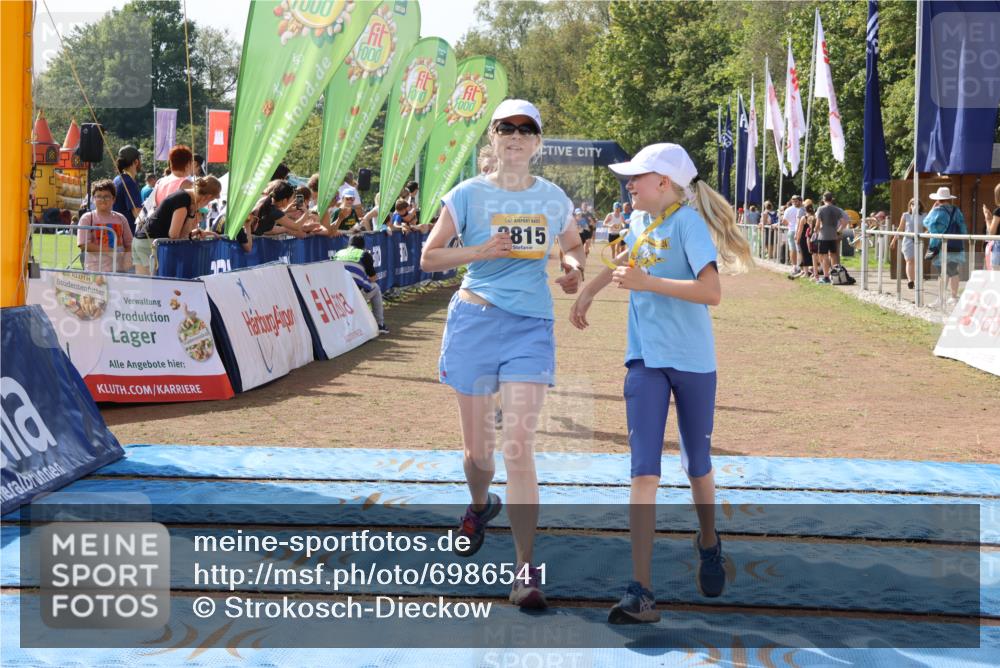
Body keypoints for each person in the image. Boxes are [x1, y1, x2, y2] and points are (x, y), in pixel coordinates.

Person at [568, 142, 752, 624]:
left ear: (665, 184)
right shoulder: (633, 220)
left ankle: (709, 541)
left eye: (637, 177)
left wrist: (650, 284)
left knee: (697, 465)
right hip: (644, 360)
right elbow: (623, 264)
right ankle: (641, 590)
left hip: (692, 361)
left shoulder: (690, 224)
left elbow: (711, 292)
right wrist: (588, 292)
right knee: (643, 472)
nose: (629, 184)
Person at [419, 99, 585, 610]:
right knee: (479, 456)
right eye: (505, 128)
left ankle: (524, 571)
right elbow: (429, 257)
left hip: (530, 328)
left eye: (525, 129)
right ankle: (478, 504)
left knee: (517, 447)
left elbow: (574, 245)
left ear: (537, 142)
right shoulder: (466, 194)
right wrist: (478, 251)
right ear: (491, 138)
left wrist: (574, 266)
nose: (515, 136)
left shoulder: (553, 197)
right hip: (474, 321)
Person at [132, 176, 222, 274]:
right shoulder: (183, 199)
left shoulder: (186, 198)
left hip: (143, 241)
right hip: (149, 244)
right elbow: (174, 235)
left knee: (144, 285)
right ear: (207, 197)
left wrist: (195, 225)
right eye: (210, 200)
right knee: (153, 285)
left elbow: (181, 234)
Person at [334, 235, 389, 334]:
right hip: (355, 294)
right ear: (363, 246)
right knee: (376, 287)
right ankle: (380, 324)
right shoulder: (364, 254)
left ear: (349, 244)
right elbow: (373, 278)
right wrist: (363, 278)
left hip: (337, 295)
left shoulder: (338, 253)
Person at [923, 186, 968, 306]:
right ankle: (954, 297)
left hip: (941, 246)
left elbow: (926, 222)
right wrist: (963, 239)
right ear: (948, 198)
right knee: (953, 271)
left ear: (938, 199)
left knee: (942, 273)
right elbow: (963, 227)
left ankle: (940, 299)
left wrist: (932, 209)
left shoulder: (937, 211)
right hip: (956, 244)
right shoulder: (956, 210)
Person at [78, 179, 132, 272]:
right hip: (94, 270)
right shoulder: (87, 218)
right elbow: (83, 244)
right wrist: (110, 252)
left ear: (113, 199)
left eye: (107, 197)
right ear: (93, 199)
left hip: (118, 270)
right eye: (98, 196)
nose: (102, 200)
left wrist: (127, 259)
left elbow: (129, 243)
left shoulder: (121, 218)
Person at [814, 192, 848, 284]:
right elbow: (844, 223)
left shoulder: (820, 209)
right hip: (833, 235)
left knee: (823, 256)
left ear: (824, 199)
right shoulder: (837, 209)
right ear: (831, 199)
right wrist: (838, 231)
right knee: (833, 255)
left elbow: (817, 224)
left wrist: (815, 231)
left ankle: (826, 277)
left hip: (823, 236)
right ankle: (834, 276)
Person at [113, 145, 143, 233]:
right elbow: (137, 214)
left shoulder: (117, 179)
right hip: (128, 234)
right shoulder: (129, 182)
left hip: (118, 231)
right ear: (136, 162)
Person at [793, 199, 816, 279]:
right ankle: (814, 271)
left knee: (804, 255)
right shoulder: (814, 217)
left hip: (804, 238)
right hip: (813, 238)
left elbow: (800, 230)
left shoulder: (804, 218)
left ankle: (806, 272)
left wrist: (797, 239)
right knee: (813, 255)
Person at [782, 195, 803, 272]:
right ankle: (799, 266)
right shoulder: (802, 209)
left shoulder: (788, 209)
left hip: (792, 230)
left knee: (793, 249)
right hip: (800, 231)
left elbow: (784, 221)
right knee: (799, 249)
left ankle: (794, 266)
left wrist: (789, 224)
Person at [982, 183, 1000, 271]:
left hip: (998, 246)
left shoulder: (998, 211)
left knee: (997, 276)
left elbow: (991, 232)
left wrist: (987, 218)